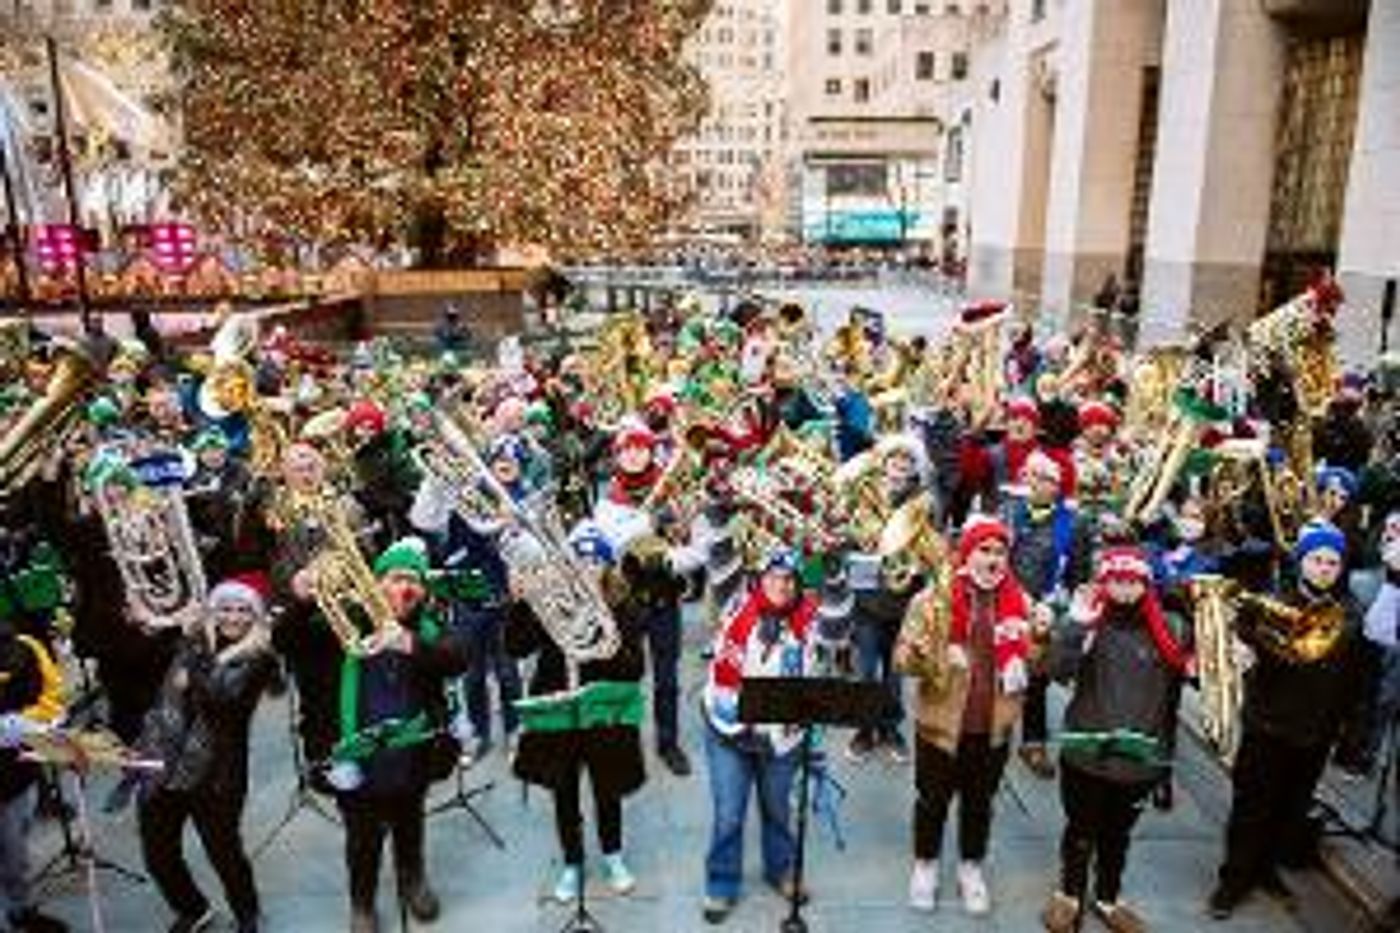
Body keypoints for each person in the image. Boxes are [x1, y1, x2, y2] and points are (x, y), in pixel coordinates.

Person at [1209, 520, 1368, 919]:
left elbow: (1358, 678)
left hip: (1316, 731)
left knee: (1290, 809)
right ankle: (1232, 880)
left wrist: (1349, 732)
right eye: (1316, 559)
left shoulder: (1350, 612)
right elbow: (1242, 636)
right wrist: (1240, 647)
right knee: (1252, 807)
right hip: (1268, 725)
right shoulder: (1272, 601)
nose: (1325, 568)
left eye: (1333, 562)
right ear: (1301, 562)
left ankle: (1266, 871)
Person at [322, 538, 470, 933]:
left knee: (410, 823)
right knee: (362, 840)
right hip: (360, 757)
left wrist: (410, 643)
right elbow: (289, 641)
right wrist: (305, 597)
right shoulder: (345, 625)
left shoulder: (429, 626)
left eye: (413, 581)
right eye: (394, 578)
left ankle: (413, 880)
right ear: (375, 583)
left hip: (413, 754)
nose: (405, 589)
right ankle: (362, 903)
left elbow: (458, 658)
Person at [1040, 546, 1191, 932]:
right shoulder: (1090, 621)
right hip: (1086, 750)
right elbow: (1056, 670)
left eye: (1133, 582)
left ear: (1146, 584)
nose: (1125, 589)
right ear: (1106, 582)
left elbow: (1188, 679)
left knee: (1117, 835)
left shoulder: (1172, 627)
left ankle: (1107, 897)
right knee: (1080, 830)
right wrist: (1074, 627)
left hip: (1138, 755)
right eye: (1118, 581)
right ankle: (1069, 893)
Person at [894, 515, 1030, 917]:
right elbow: (901, 659)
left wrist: (1041, 635)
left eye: (999, 552)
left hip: (992, 728)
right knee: (932, 802)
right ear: (967, 554)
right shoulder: (931, 599)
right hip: (940, 728)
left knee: (979, 804)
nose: (992, 560)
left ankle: (971, 867)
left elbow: (1038, 663)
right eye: (984, 551)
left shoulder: (1020, 601)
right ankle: (926, 864)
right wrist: (931, 654)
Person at [506, 522, 647, 903]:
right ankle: (572, 862)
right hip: (559, 713)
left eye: (594, 562)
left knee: (608, 789)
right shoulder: (549, 601)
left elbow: (636, 669)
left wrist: (605, 636)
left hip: (603, 715)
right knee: (563, 791)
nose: (586, 569)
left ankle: (613, 855)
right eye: (578, 561)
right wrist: (519, 604)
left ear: (607, 567)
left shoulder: (622, 607)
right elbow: (516, 647)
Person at [136, 574, 278, 933]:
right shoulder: (196, 642)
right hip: (164, 760)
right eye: (225, 608)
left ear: (256, 617)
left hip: (217, 775)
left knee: (224, 854)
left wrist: (192, 655)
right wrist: (159, 627)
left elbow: (224, 701)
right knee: (158, 853)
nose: (233, 617)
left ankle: (247, 915)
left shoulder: (258, 658)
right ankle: (193, 909)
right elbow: (154, 673)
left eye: (243, 610)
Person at [700, 548, 821, 924]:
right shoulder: (737, 608)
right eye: (773, 577)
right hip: (728, 730)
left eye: (789, 580)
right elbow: (720, 569)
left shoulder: (809, 620)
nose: (781, 585)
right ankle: (721, 883)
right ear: (759, 579)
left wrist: (832, 567)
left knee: (778, 809)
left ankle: (780, 870)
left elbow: (831, 640)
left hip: (781, 735)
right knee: (729, 816)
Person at [0, 605, 66, 933]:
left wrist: (27, 725)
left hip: (12, 774)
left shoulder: (25, 646)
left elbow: (52, 698)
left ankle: (20, 910)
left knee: (15, 851)